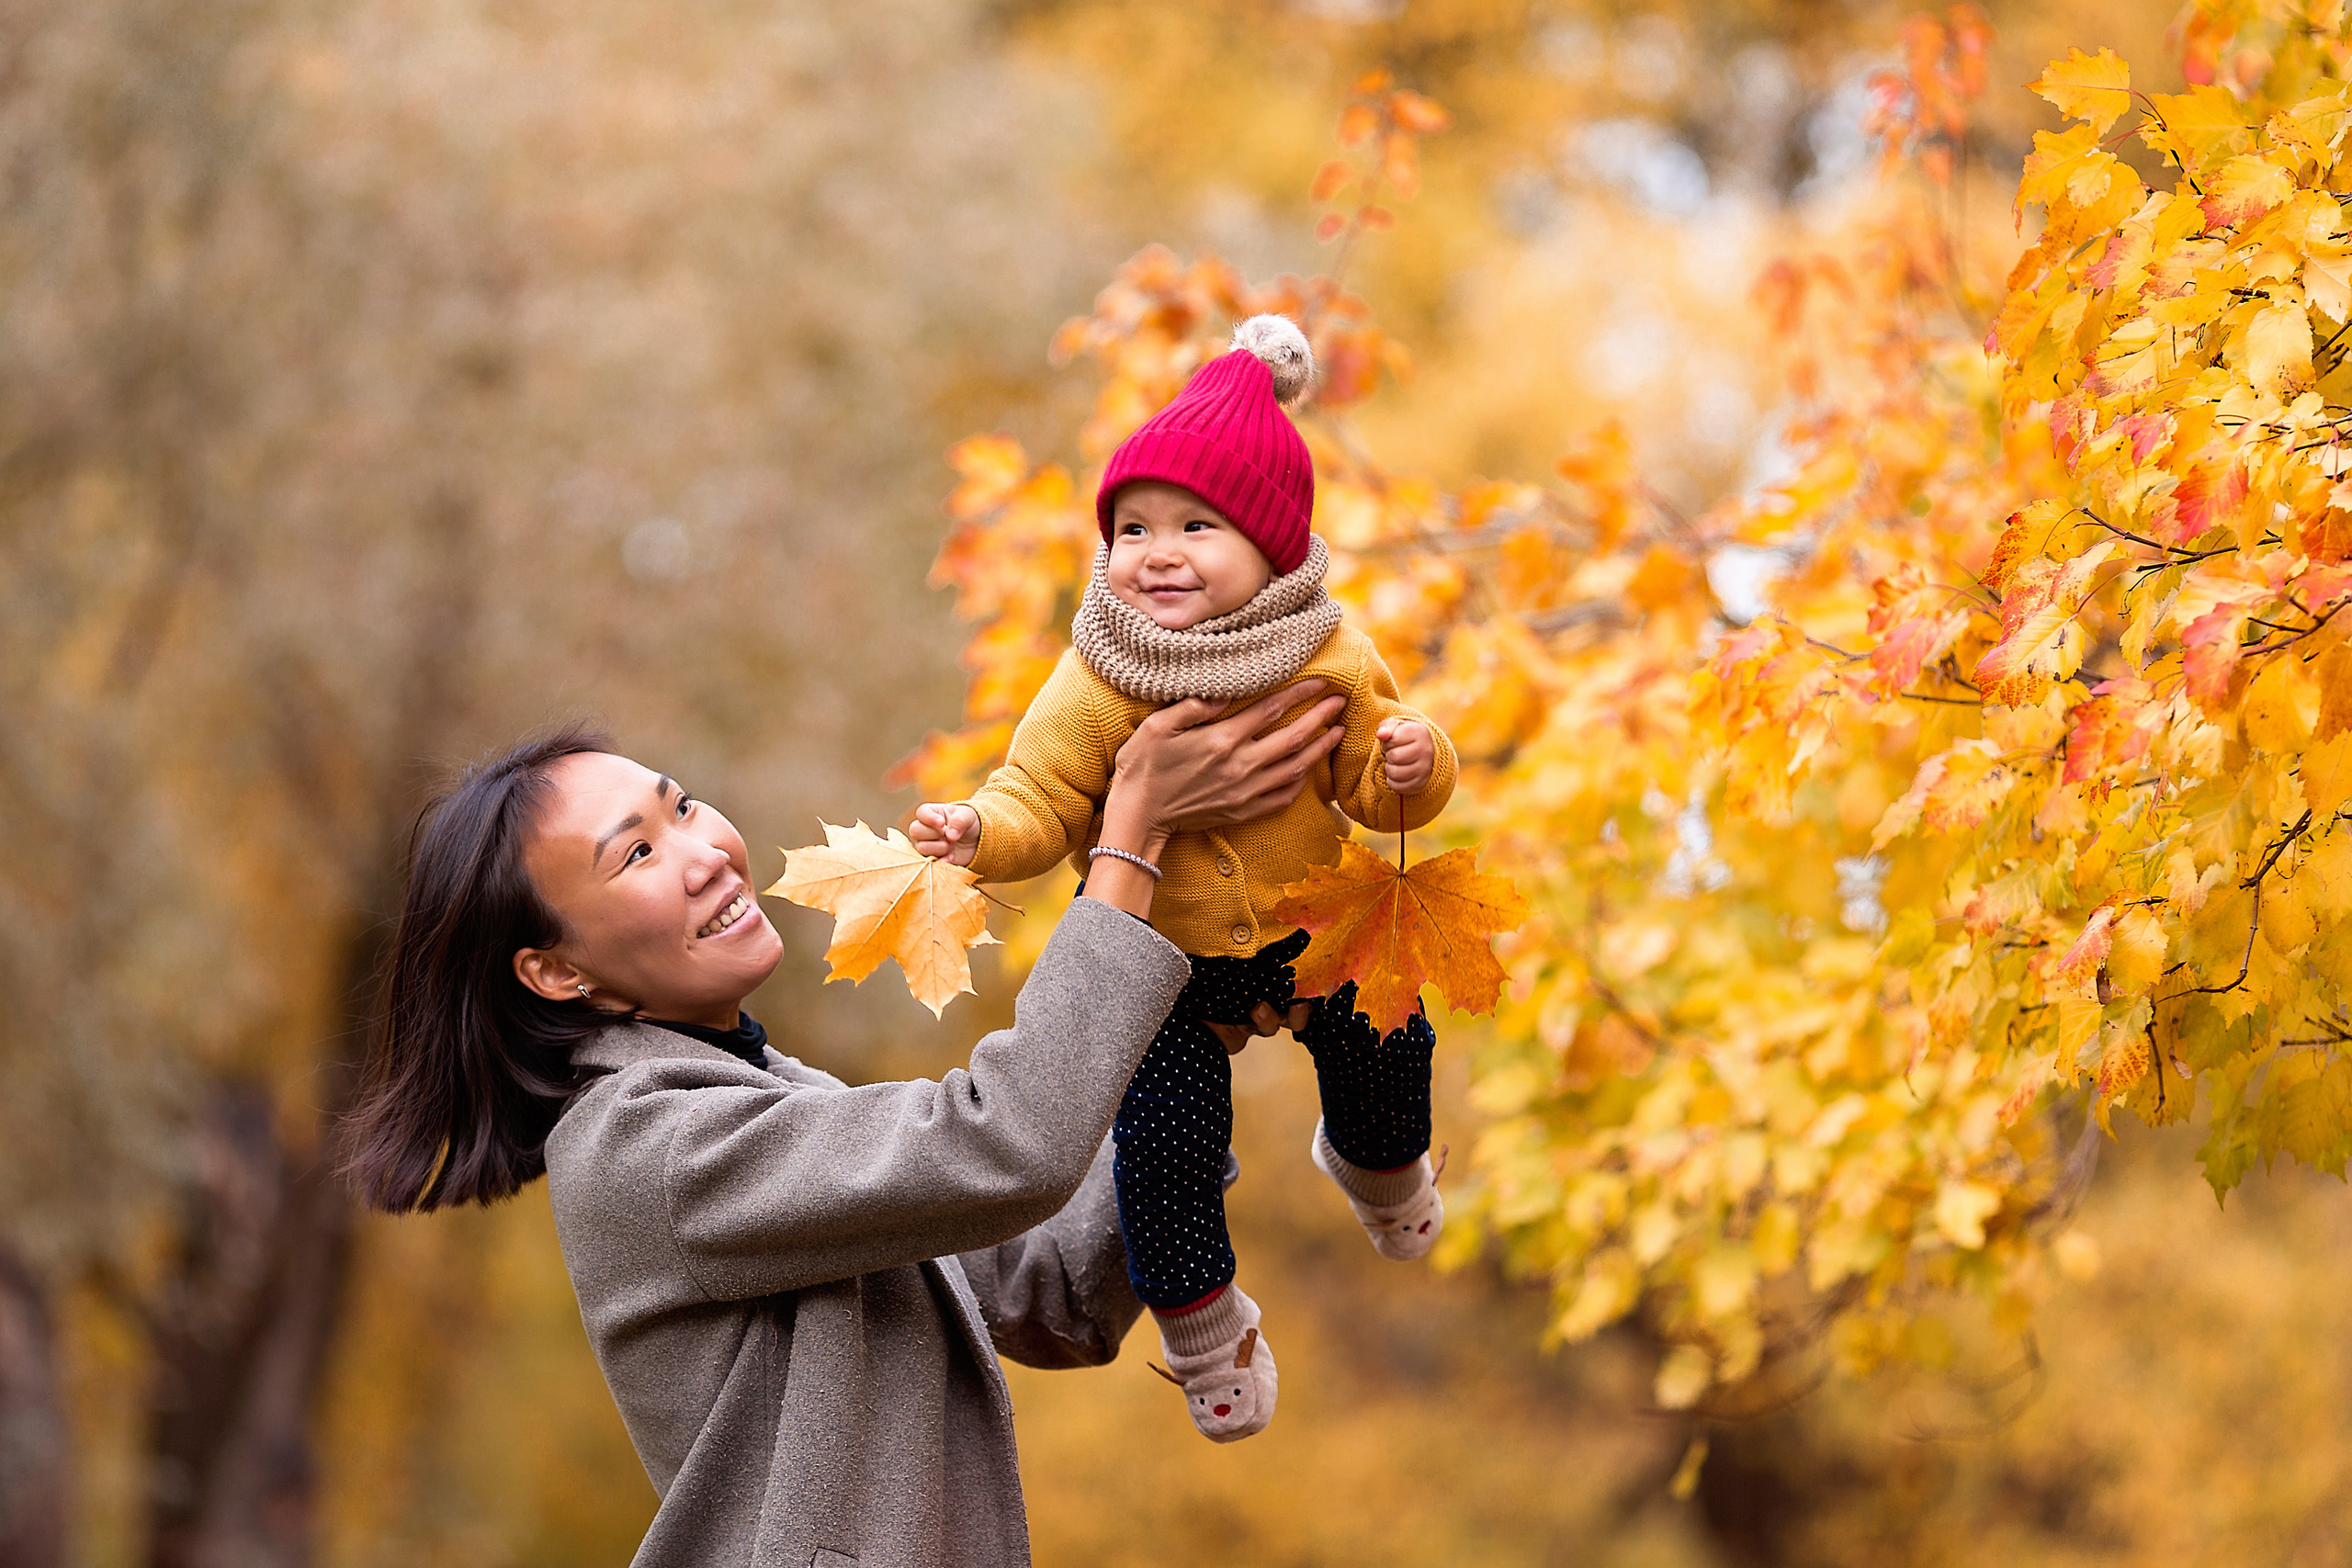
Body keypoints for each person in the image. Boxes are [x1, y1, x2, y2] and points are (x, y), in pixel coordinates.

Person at [340, 686, 1342, 1568]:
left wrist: (1191, 1048)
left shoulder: (767, 1092)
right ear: (557, 971)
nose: (701, 854)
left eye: (680, 806)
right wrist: (1130, 844)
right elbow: (1006, 1145)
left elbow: (1054, 1295)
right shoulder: (647, 1148)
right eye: (636, 854)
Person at [909, 315, 1460, 1442]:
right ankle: (1205, 1328)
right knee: (1159, 1147)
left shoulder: (1328, 654)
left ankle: (1382, 1163)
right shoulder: (1098, 674)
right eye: (1132, 527)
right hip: (1157, 959)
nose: (1156, 552)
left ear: (1271, 547)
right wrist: (978, 827)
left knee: (1391, 1034)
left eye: (1197, 527)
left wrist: (1415, 762)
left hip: (1311, 927)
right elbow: (1043, 792)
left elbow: (1374, 783)